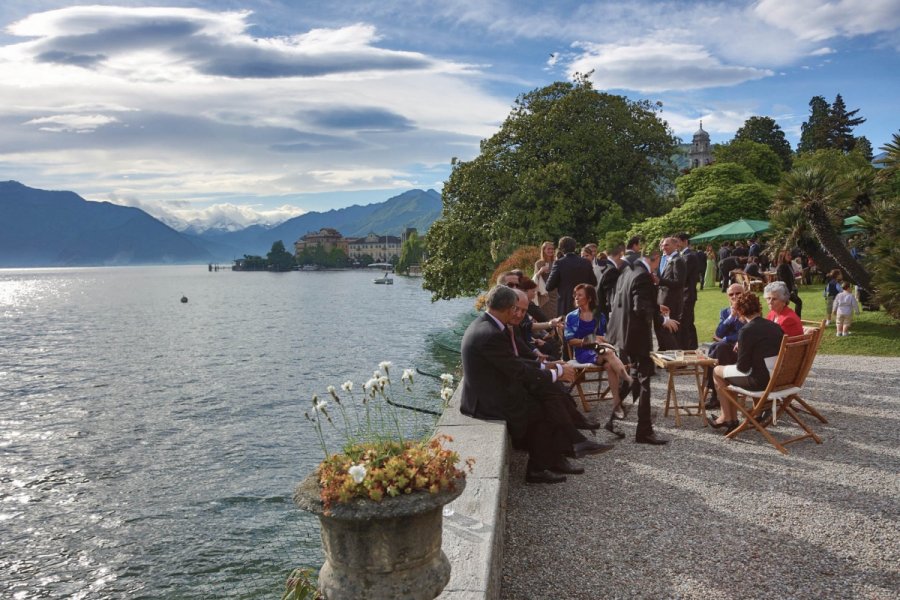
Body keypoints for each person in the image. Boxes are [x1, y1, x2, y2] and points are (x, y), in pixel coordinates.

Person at [460, 285, 610, 484]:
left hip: (495, 390)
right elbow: (517, 369)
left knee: (549, 396)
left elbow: (514, 363)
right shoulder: (491, 333)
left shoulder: (489, 325)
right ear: (508, 308)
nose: (518, 313)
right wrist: (555, 372)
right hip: (486, 402)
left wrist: (546, 366)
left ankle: (566, 447)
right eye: (516, 308)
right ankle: (547, 462)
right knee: (543, 410)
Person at [606, 250, 679, 445]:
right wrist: (662, 319)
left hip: (622, 334)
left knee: (636, 378)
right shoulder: (642, 276)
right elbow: (640, 307)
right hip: (635, 336)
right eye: (658, 264)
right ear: (653, 259)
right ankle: (644, 431)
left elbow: (627, 301)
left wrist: (655, 307)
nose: (658, 268)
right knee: (644, 379)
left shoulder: (627, 271)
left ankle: (613, 418)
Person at [563, 284, 633, 436]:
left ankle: (617, 404)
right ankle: (628, 380)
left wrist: (599, 340)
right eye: (575, 294)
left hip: (599, 350)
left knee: (609, 365)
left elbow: (605, 337)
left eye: (580, 295)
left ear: (589, 297)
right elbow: (570, 340)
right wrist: (590, 340)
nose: (576, 297)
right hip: (582, 352)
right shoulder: (571, 316)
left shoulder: (599, 316)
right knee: (608, 353)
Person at [709, 291, 784, 433]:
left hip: (760, 381)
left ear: (740, 312)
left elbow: (743, 368)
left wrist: (741, 350)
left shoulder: (746, 330)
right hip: (778, 378)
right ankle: (730, 418)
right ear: (758, 307)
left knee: (717, 371)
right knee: (725, 372)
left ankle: (727, 418)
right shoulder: (774, 326)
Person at [703, 283, 746, 410]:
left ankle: (715, 395)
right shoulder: (725, 312)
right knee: (718, 348)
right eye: (731, 294)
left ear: (744, 294)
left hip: (741, 352)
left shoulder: (751, 310)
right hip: (725, 351)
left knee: (717, 347)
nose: (735, 296)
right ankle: (717, 394)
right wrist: (731, 316)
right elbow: (719, 332)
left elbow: (744, 334)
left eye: (738, 293)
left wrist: (727, 338)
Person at [546, 236, 597, 316]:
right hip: (584, 304)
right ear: (574, 247)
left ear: (561, 249)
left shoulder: (559, 263)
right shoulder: (586, 262)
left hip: (566, 306)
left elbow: (549, 286)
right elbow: (594, 282)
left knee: (567, 327)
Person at [655, 237, 685, 350]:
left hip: (672, 301)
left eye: (666, 245)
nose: (663, 247)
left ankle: (674, 356)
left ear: (675, 245)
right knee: (661, 327)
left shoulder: (678, 260)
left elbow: (679, 282)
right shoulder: (666, 259)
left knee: (670, 330)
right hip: (662, 298)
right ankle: (663, 352)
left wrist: (660, 281)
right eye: (663, 245)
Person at [675, 232, 700, 349]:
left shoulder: (689, 256)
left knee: (685, 324)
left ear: (684, 241)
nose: (676, 244)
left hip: (687, 295)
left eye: (677, 241)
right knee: (688, 323)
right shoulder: (682, 255)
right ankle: (692, 348)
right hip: (684, 294)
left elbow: (682, 277)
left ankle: (686, 350)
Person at [533, 241, 559, 317]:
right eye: (548, 249)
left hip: (555, 293)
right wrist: (540, 271)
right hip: (544, 294)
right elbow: (534, 279)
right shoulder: (538, 263)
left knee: (556, 315)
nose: (551, 251)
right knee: (545, 316)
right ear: (543, 250)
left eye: (552, 249)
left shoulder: (556, 262)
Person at [775, 250, 803, 317]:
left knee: (785, 306)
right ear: (783, 256)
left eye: (790, 255)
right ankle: (797, 319)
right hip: (786, 290)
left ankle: (793, 319)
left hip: (791, 289)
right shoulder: (782, 266)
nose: (790, 256)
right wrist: (789, 291)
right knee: (798, 302)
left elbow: (790, 277)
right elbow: (783, 281)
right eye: (788, 255)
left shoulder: (788, 264)